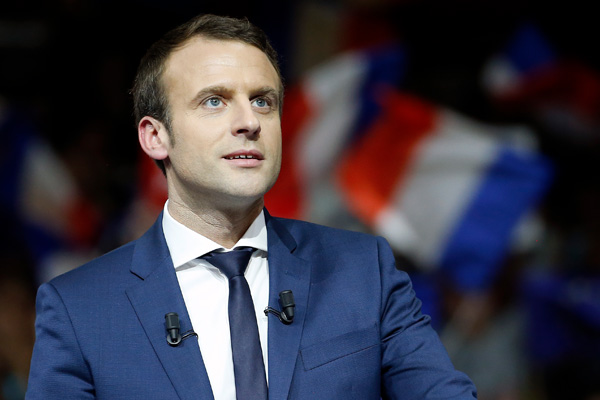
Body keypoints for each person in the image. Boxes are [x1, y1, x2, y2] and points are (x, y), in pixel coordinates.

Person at [26, 14, 477, 399]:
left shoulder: (364, 271)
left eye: (263, 101)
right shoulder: (79, 309)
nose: (249, 122)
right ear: (155, 136)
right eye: (214, 101)